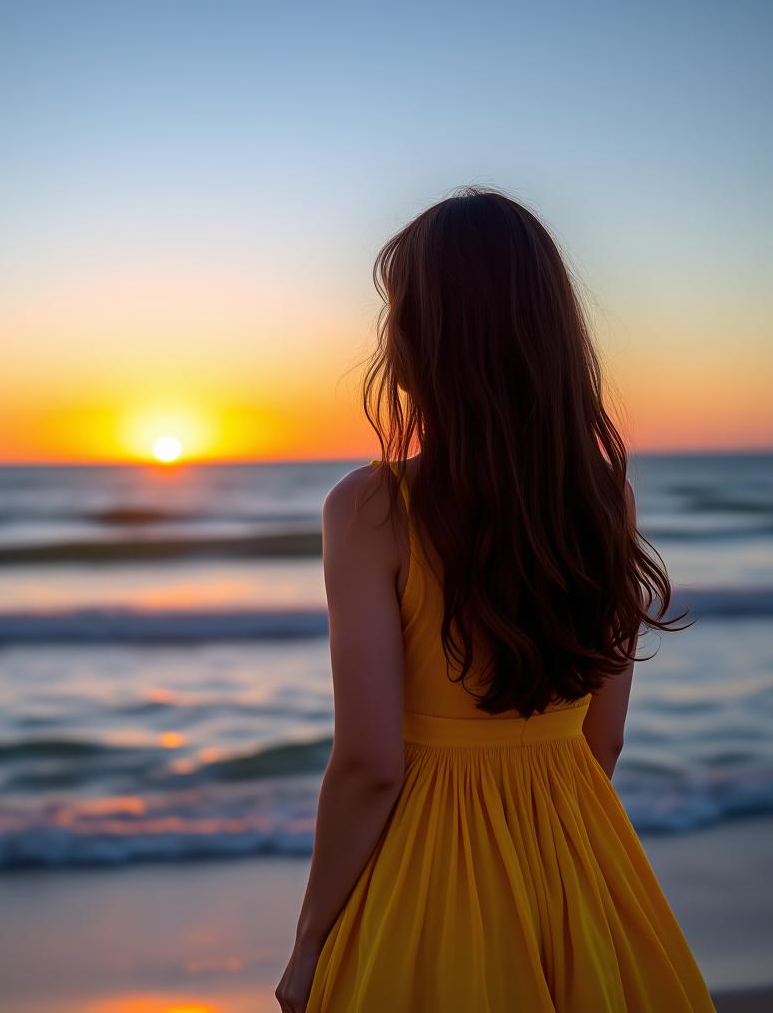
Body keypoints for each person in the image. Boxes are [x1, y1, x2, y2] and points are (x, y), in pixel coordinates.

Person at [276, 187, 716, 1012]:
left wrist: (309, 941)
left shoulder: (369, 508)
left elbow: (371, 766)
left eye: (399, 309)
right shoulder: (603, 496)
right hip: (575, 841)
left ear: (429, 338)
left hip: (427, 867)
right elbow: (605, 737)